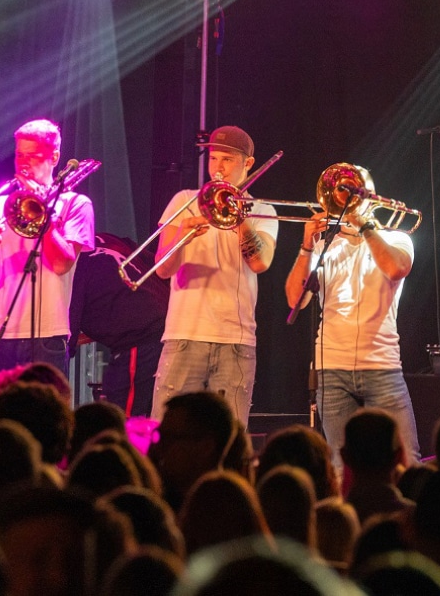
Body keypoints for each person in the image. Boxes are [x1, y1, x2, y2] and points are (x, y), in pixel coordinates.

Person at [286, 163, 422, 470]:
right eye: (342, 192)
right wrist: (306, 247)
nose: (347, 199)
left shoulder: (397, 238)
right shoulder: (326, 248)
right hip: (332, 368)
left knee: (406, 460)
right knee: (340, 465)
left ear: (370, 197)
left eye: (353, 192)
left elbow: (396, 268)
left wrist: (364, 225)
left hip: (381, 366)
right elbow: (295, 299)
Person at [149, 126, 278, 426]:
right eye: (213, 158)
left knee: (229, 435)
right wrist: (181, 237)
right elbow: (163, 269)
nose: (218, 167)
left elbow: (260, 263)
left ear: (248, 163)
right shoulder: (183, 200)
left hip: (236, 340)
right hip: (184, 335)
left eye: (227, 160)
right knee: (168, 430)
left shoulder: (263, 210)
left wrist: (240, 219)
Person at [0, 119, 95, 400]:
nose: (24, 164)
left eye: (33, 156)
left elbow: (62, 264)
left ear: (54, 157)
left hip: (47, 335)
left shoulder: (76, 205)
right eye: (19, 155)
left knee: (45, 419)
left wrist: (44, 215)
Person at [69, 233, 169, 417]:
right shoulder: (109, 239)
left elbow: (68, 331)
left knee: (122, 416)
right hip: (165, 327)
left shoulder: (72, 261)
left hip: (140, 340)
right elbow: (159, 268)